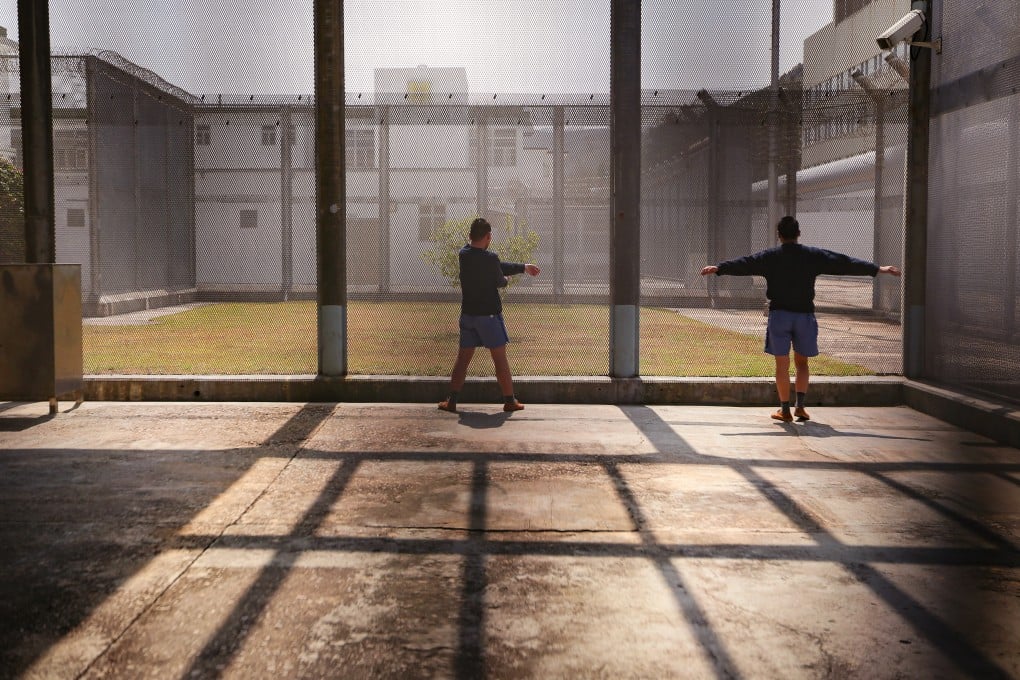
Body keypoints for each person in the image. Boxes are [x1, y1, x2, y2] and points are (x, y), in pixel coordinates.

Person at [701, 215, 901, 422]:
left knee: (781, 364)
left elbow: (745, 263)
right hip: (804, 316)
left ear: (779, 235)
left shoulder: (771, 257)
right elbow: (843, 262)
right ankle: (801, 407)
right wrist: (877, 269)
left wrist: (719, 268)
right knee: (802, 363)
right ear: (798, 234)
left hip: (779, 316)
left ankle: (784, 410)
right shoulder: (812, 255)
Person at [439, 217, 540, 413]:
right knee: (500, 359)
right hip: (489, 317)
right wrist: (506, 279)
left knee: (462, 360)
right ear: (489, 236)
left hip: (468, 316)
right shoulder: (490, 258)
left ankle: (452, 401)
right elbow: (498, 279)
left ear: (469, 236)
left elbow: (492, 264)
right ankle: (510, 400)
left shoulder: (463, 254)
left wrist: (522, 267)